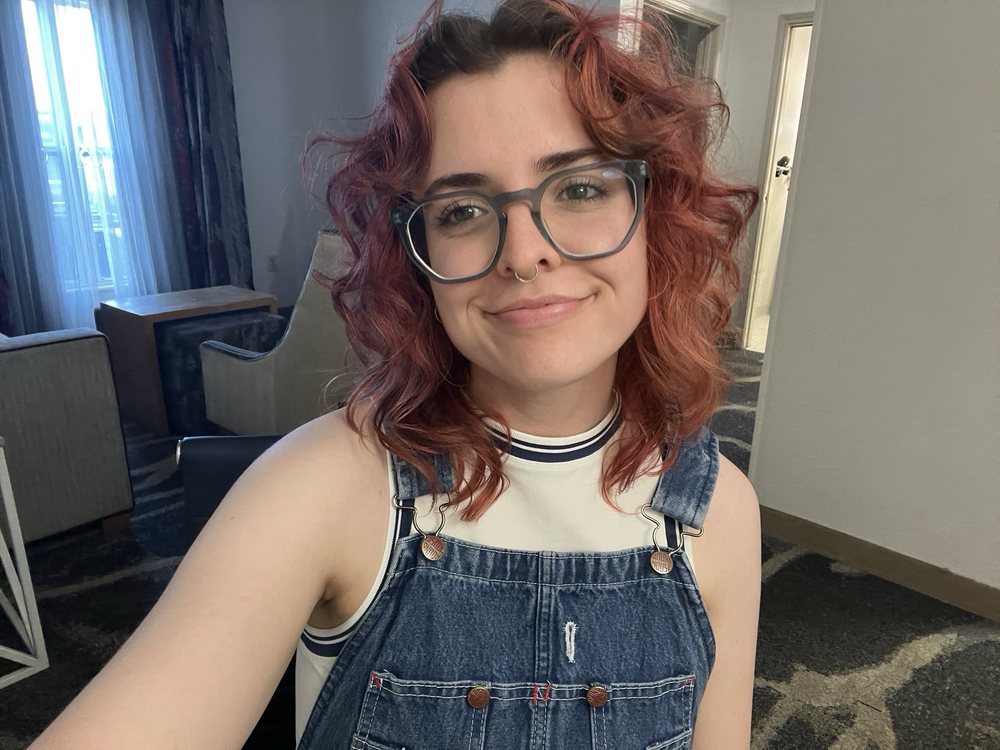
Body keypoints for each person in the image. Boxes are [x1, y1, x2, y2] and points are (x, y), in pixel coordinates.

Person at [33, 0, 761, 747]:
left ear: (653, 214)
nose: (523, 254)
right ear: (418, 258)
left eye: (578, 188)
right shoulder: (324, 484)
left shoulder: (721, 512)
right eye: (462, 210)